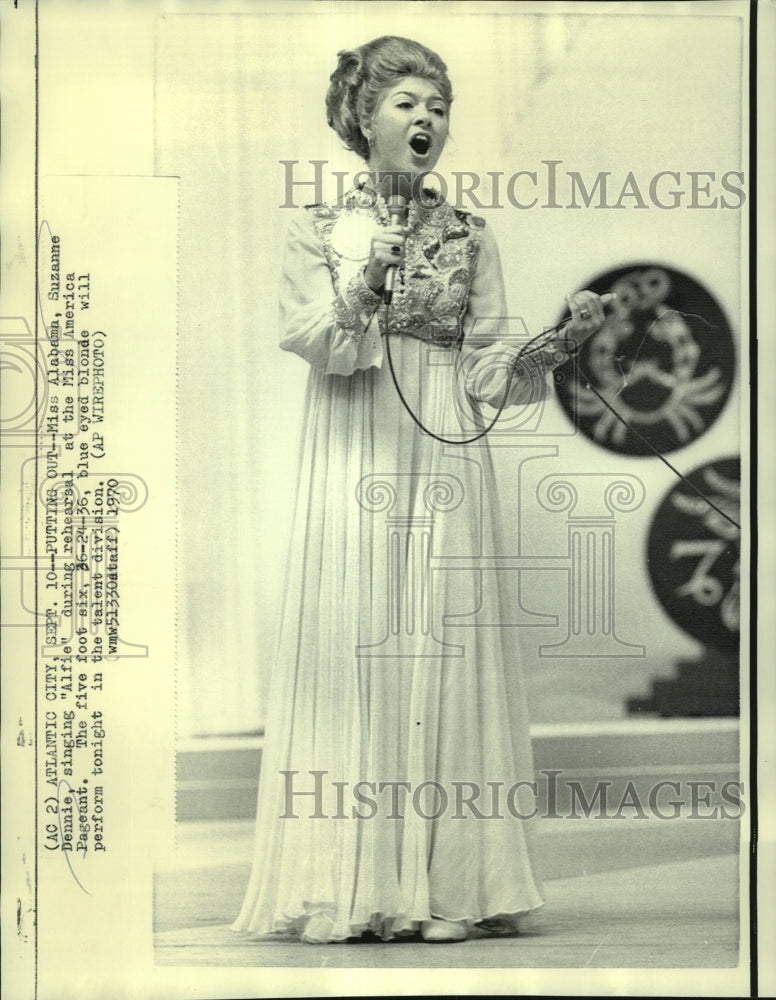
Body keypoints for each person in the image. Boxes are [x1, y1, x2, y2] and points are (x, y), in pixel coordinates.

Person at [233, 34, 610, 945]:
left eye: (438, 106)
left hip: (442, 453)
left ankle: (449, 891)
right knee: (361, 642)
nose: (427, 120)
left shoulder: (472, 235)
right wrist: (368, 277)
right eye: (407, 103)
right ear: (364, 120)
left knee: (443, 648)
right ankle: (353, 887)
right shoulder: (316, 228)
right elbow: (317, 341)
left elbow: (488, 371)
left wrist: (556, 342)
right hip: (356, 443)